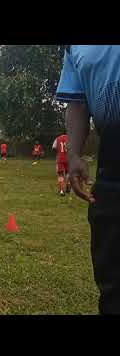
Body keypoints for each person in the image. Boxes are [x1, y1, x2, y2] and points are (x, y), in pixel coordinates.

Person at [55, 45, 120, 314]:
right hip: (114, 158)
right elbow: (78, 102)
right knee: (113, 279)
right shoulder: (72, 46)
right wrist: (74, 155)